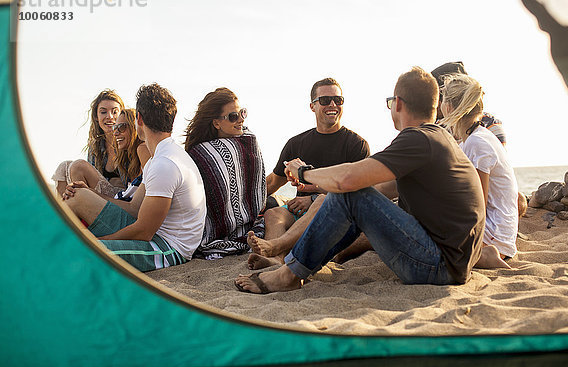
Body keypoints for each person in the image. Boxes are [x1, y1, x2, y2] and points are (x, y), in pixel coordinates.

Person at [235, 67, 485, 294]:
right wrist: (323, 189)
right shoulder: (437, 138)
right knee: (351, 194)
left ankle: (289, 274)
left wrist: (303, 173)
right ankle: (293, 264)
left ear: (397, 103)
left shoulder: (417, 139)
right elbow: (376, 188)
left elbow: (348, 181)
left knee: (351, 192)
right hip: (452, 264)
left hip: (438, 268)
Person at [63, 83, 207, 272]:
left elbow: (143, 232)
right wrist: (88, 193)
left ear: (138, 119)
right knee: (76, 195)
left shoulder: (164, 164)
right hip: (152, 234)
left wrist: (96, 241)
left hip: (166, 248)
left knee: (79, 252)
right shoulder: (164, 156)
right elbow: (138, 214)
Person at [245, 77, 370, 270]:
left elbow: (358, 191)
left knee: (361, 231)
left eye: (338, 100)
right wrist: (245, 206)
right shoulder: (296, 143)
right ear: (312, 106)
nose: (333, 105)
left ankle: (331, 255)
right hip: (299, 215)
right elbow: (272, 182)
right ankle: (276, 259)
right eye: (325, 100)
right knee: (273, 214)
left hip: (340, 216)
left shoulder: (356, 145)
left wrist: (312, 199)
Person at [439, 74, 519, 269]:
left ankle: (484, 254)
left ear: (449, 107)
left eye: (442, 100)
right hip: (499, 229)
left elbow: (478, 204)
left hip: (495, 234)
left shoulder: (477, 142)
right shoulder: (474, 138)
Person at [184, 88, 266, 259]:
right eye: (233, 116)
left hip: (250, 223)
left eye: (242, 113)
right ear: (216, 123)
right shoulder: (200, 153)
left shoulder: (249, 140)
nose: (241, 120)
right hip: (213, 229)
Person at [64, 109, 151, 203]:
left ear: (135, 126)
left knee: (78, 166)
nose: (115, 133)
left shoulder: (143, 149)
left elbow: (133, 207)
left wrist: (88, 193)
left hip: (124, 211)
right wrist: (88, 192)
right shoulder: (128, 155)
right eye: (115, 128)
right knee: (66, 168)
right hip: (120, 203)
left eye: (121, 127)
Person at [52, 89, 126, 197]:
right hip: (98, 193)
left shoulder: (127, 141)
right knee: (64, 166)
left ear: (122, 115)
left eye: (115, 112)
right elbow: (90, 178)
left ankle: (79, 203)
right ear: (96, 117)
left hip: (122, 196)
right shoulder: (96, 146)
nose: (109, 116)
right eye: (103, 112)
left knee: (78, 166)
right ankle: (64, 209)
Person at [431, 62, 507, 145]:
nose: (432, 105)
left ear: (447, 104)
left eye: (434, 98)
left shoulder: (491, 127)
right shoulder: (438, 128)